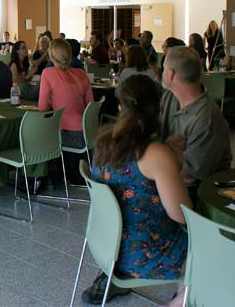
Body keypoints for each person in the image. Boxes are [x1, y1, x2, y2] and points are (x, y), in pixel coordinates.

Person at [82, 75, 191, 306]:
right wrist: (175, 162)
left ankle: (183, 292)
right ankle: (182, 297)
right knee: (211, 249)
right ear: (159, 107)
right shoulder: (156, 154)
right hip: (142, 255)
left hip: (107, 247)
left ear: (121, 106)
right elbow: (182, 215)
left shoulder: (104, 142)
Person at [161, 46, 232, 199]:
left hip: (199, 195)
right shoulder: (170, 97)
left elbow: (189, 176)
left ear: (170, 74)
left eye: (163, 68)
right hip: (170, 182)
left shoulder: (206, 118)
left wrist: (159, 155)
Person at [38, 39, 94, 186]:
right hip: (87, 132)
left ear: (51, 56)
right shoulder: (82, 73)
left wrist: (53, 103)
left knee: (39, 132)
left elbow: (42, 108)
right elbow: (90, 105)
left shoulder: (48, 73)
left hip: (66, 133)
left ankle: (44, 176)